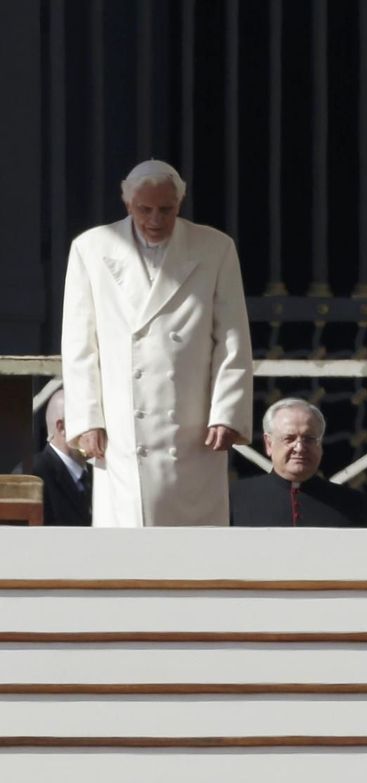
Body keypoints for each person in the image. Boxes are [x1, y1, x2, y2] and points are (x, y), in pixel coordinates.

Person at [61, 159, 253, 526]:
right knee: (130, 535)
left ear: (179, 204)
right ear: (126, 202)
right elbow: (79, 344)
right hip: (121, 426)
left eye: (165, 209)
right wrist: (86, 418)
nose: (154, 219)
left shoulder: (215, 248)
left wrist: (228, 412)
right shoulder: (91, 248)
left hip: (192, 425)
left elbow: (232, 338)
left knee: (193, 546)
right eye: (144, 209)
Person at [230, 398, 367, 527]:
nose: (300, 448)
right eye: (289, 439)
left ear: (320, 445)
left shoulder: (350, 503)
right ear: (269, 444)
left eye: (309, 439)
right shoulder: (235, 498)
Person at [32, 388, 92, 526]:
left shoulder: (98, 475)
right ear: (62, 427)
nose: (96, 429)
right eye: (89, 421)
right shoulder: (34, 476)